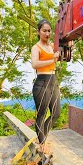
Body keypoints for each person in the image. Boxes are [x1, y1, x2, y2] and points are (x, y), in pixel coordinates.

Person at [31, 19, 60, 152]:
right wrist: (52, 59)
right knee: (41, 115)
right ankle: (42, 144)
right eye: (44, 30)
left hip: (53, 81)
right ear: (38, 32)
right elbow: (35, 64)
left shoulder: (52, 46)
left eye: (49, 30)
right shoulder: (36, 48)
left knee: (56, 113)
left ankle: (42, 137)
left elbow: (63, 49)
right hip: (42, 82)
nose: (47, 33)